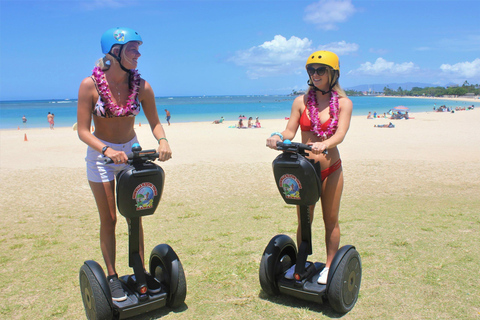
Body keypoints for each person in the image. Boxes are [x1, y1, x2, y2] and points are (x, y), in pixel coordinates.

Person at [77, 27, 172, 302]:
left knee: (136, 214)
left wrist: (163, 140)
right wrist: (106, 148)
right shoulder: (89, 86)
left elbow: (155, 122)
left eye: (138, 49)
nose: (138, 54)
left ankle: (140, 271)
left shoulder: (141, 86)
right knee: (109, 218)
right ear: (115, 52)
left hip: (132, 151)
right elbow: (83, 131)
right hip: (101, 156)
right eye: (132, 49)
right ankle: (111, 276)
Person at [266, 51, 352, 285]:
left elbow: (341, 134)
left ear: (333, 74)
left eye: (320, 70)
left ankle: (330, 264)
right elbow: (289, 132)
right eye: (311, 70)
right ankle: (301, 263)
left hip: (330, 168)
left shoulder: (344, 103)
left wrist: (325, 143)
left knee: (330, 219)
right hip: (304, 170)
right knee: (305, 218)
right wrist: (276, 136)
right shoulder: (301, 102)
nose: (315, 75)